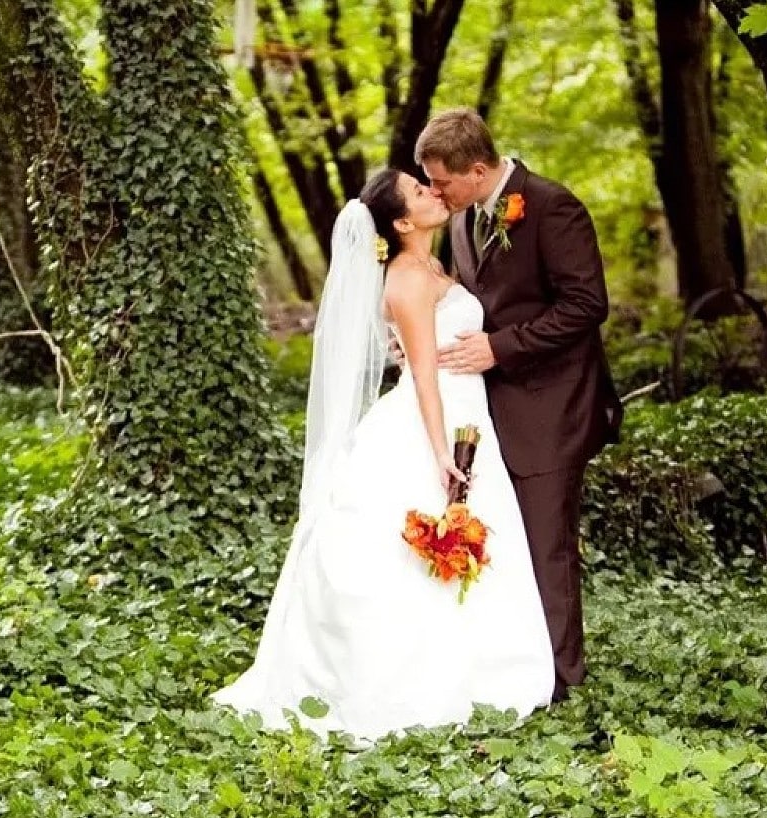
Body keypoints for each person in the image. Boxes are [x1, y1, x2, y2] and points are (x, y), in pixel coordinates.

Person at [211, 169, 554, 742]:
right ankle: (405, 681)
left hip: (469, 412)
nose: (430, 192)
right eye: (419, 192)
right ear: (401, 222)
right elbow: (421, 373)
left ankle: (478, 671)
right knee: (413, 553)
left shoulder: (433, 267)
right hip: (433, 422)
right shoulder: (406, 279)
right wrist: (442, 452)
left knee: (471, 547)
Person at [416, 110, 622, 702]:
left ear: (477, 171)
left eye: (442, 183)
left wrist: (499, 349)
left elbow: (587, 304)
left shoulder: (553, 207)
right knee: (506, 546)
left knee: (547, 548)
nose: (435, 193)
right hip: (485, 412)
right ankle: (514, 672)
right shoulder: (461, 221)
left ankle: (564, 684)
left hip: (551, 408)